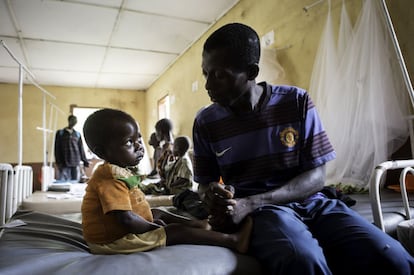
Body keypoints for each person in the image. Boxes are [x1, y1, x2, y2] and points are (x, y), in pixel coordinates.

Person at [192, 22, 414, 275]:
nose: (209, 84)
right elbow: (204, 184)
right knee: (302, 261)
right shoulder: (206, 122)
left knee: (392, 256)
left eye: (219, 75)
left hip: (315, 204)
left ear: (251, 72)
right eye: (205, 74)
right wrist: (211, 195)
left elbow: (317, 177)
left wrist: (251, 202)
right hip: (265, 215)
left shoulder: (296, 101)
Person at [81, 108, 252, 255]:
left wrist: (150, 219)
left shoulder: (116, 170)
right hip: (113, 242)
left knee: (157, 212)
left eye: (138, 139)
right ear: (102, 152)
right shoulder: (110, 177)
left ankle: (198, 224)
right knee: (173, 231)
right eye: (129, 142)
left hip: (120, 231)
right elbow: (125, 219)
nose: (139, 146)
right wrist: (152, 228)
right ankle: (232, 240)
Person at [54, 114, 89, 181]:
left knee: (75, 182)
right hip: (63, 162)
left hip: (75, 162)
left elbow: (81, 148)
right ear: (69, 121)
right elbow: (57, 149)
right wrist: (58, 162)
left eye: (75, 121)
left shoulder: (77, 134)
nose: (74, 122)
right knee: (63, 183)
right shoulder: (60, 133)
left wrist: (85, 161)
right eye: (73, 121)